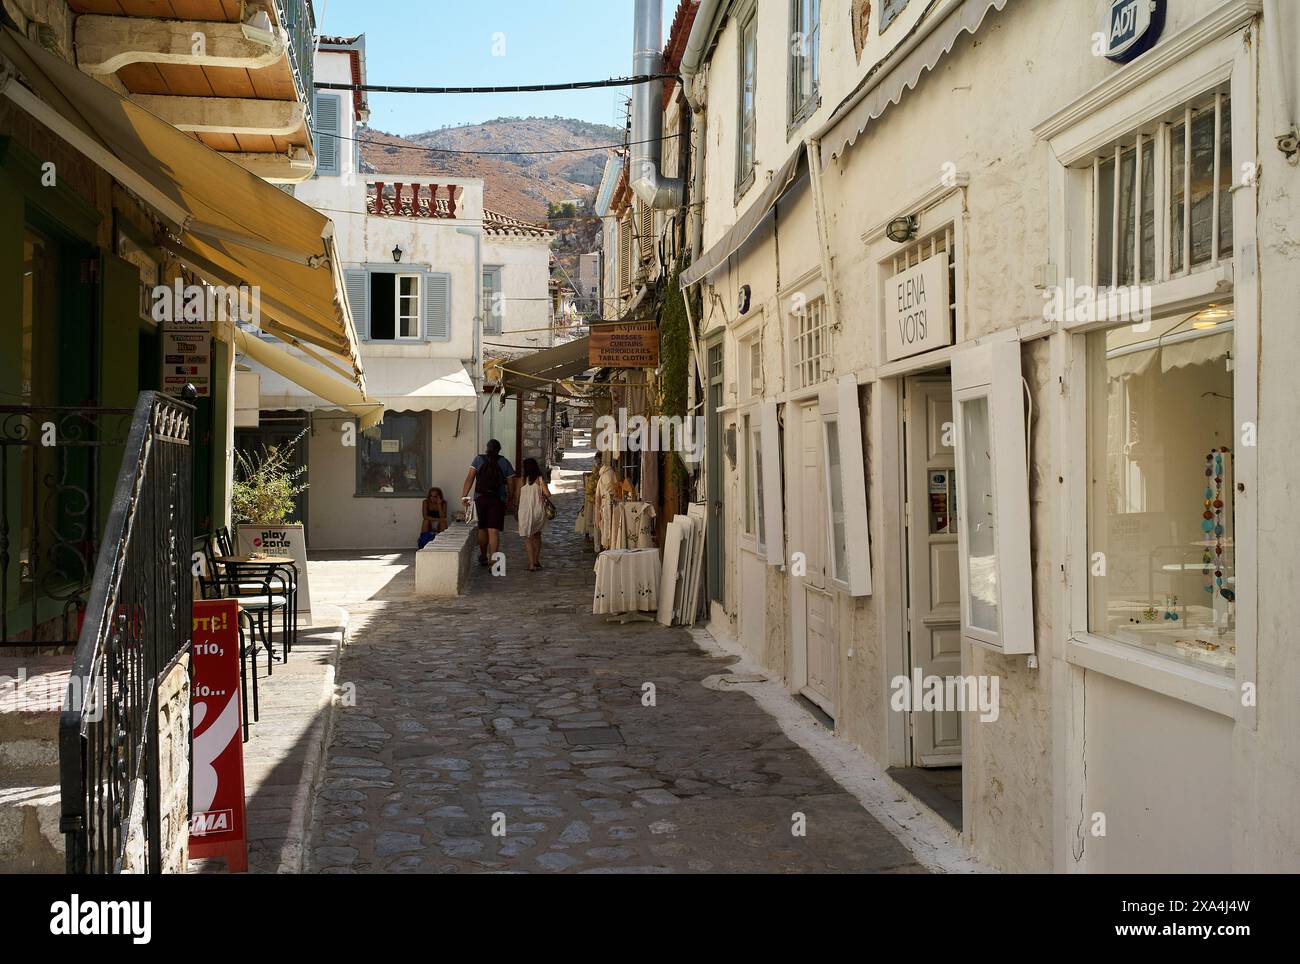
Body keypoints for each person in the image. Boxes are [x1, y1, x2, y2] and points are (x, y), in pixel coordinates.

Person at [461, 439, 514, 566]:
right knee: (493, 530)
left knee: (482, 529)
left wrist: (464, 496)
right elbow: (511, 483)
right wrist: (510, 498)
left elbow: (470, 478)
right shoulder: (504, 462)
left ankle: (483, 555)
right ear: (499, 449)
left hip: (480, 498)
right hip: (497, 499)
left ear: (487, 448)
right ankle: (494, 560)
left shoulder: (478, 460)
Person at [515, 458, 552, 571]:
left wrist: (515, 508)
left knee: (528, 537)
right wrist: (542, 496)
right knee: (537, 535)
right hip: (538, 511)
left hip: (525, 511)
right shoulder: (540, 479)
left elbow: (517, 496)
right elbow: (548, 494)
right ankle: (536, 560)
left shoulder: (522, 480)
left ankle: (531, 564)